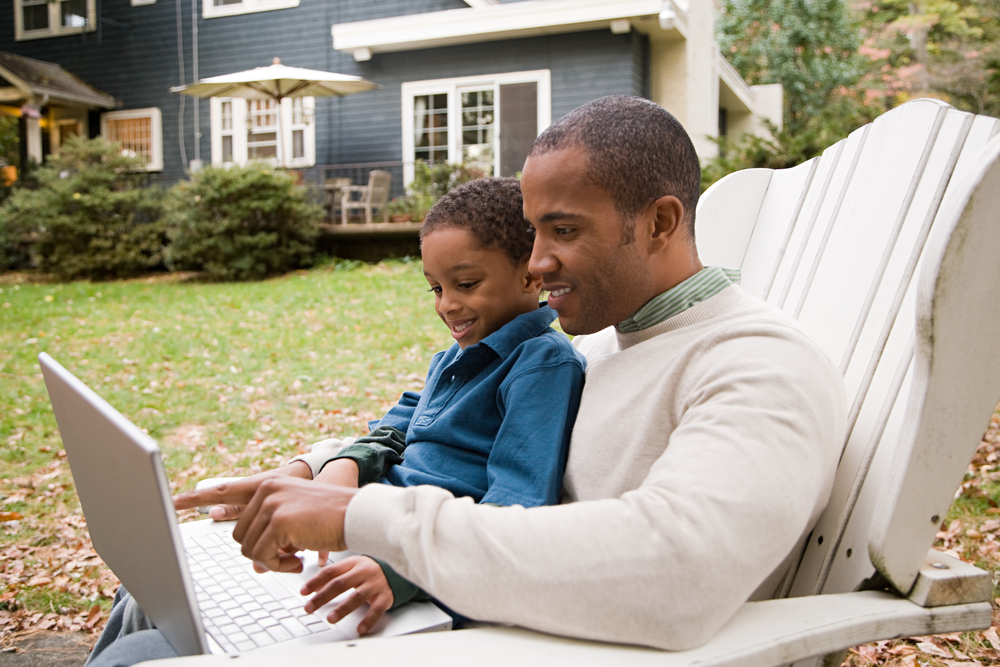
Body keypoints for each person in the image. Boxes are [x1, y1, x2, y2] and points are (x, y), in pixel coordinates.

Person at [173, 94, 846, 656]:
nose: (537, 261)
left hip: (523, 645)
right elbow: (453, 418)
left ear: (659, 222)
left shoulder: (760, 363)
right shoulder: (612, 344)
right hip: (481, 627)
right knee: (167, 607)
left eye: (563, 230)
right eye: (531, 233)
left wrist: (364, 518)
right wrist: (317, 467)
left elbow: (677, 573)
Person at [86, 177, 585, 666]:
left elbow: (515, 507)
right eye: (435, 287)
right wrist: (344, 464)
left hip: (414, 572)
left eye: (466, 284)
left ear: (531, 276)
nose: (446, 304)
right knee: (147, 590)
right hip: (361, 529)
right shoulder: (456, 357)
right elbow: (397, 423)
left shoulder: (540, 365)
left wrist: (396, 573)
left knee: (151, 639)